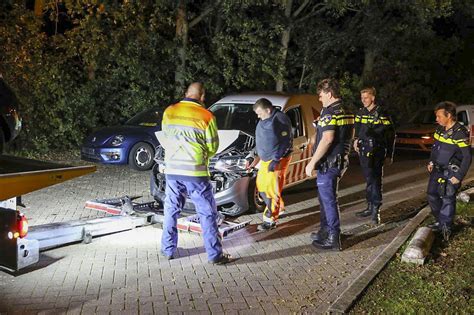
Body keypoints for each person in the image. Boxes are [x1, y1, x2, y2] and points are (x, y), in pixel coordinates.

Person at [160, 82, 232, 264]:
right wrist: (201, 156)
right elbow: (213, 146)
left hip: (173, 171)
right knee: (207, 212)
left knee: (171, 209)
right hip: (195, 172)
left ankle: (168, 249)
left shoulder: (169, 111)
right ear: (202, 97)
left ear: (186, 93)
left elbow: (165, 138)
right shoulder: (206, 116)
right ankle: (215, 255)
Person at [305, 78, 354, 250]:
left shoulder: (329, 112)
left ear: (329, 93)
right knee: (327, 198)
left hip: (329, 163)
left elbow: (327, 139)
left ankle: (333, 238)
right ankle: (325, 230)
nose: (319, 99)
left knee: (328, 200)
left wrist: (312, 163)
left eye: (321, 95)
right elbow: (346, 134)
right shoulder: (346, 110)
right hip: (340, 161)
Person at [427, 101, 471, 241]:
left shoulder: (460, 133)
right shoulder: (440, 129)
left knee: (447, 198)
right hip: (437, 169)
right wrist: (431, 161)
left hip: (451, 172)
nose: (437, 119)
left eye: (439, 116)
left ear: (449, 115)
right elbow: (435, 148)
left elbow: (467, 157)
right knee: (432, 194)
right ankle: (441, 221)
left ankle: (446, 227)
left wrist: (459, 176)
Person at [247, 98, 293, 231]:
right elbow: (260, 141)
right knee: (261, 186)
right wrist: (253, 156)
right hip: (265, 160)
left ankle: (270, 220)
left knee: (271, 191)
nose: (258, 116)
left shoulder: (280, 119)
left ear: (268, 110)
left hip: (277, 160)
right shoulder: (263, 120)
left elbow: (286, 141)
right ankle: (280, 208)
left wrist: (276, 159)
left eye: (260, 113)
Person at [353, 87, 395, 224]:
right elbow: (357, 130)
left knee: (375, 179)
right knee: (369, 179)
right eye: (362, 98)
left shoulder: (382, 113)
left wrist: (389, 154)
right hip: (364, 150)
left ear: (373, 98)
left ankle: (375, 209)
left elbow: (391, 135)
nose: (363, 100)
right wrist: (355, 141)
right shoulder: (360, 113)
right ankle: (370, 206)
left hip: (377, 150)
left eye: (366, 97)